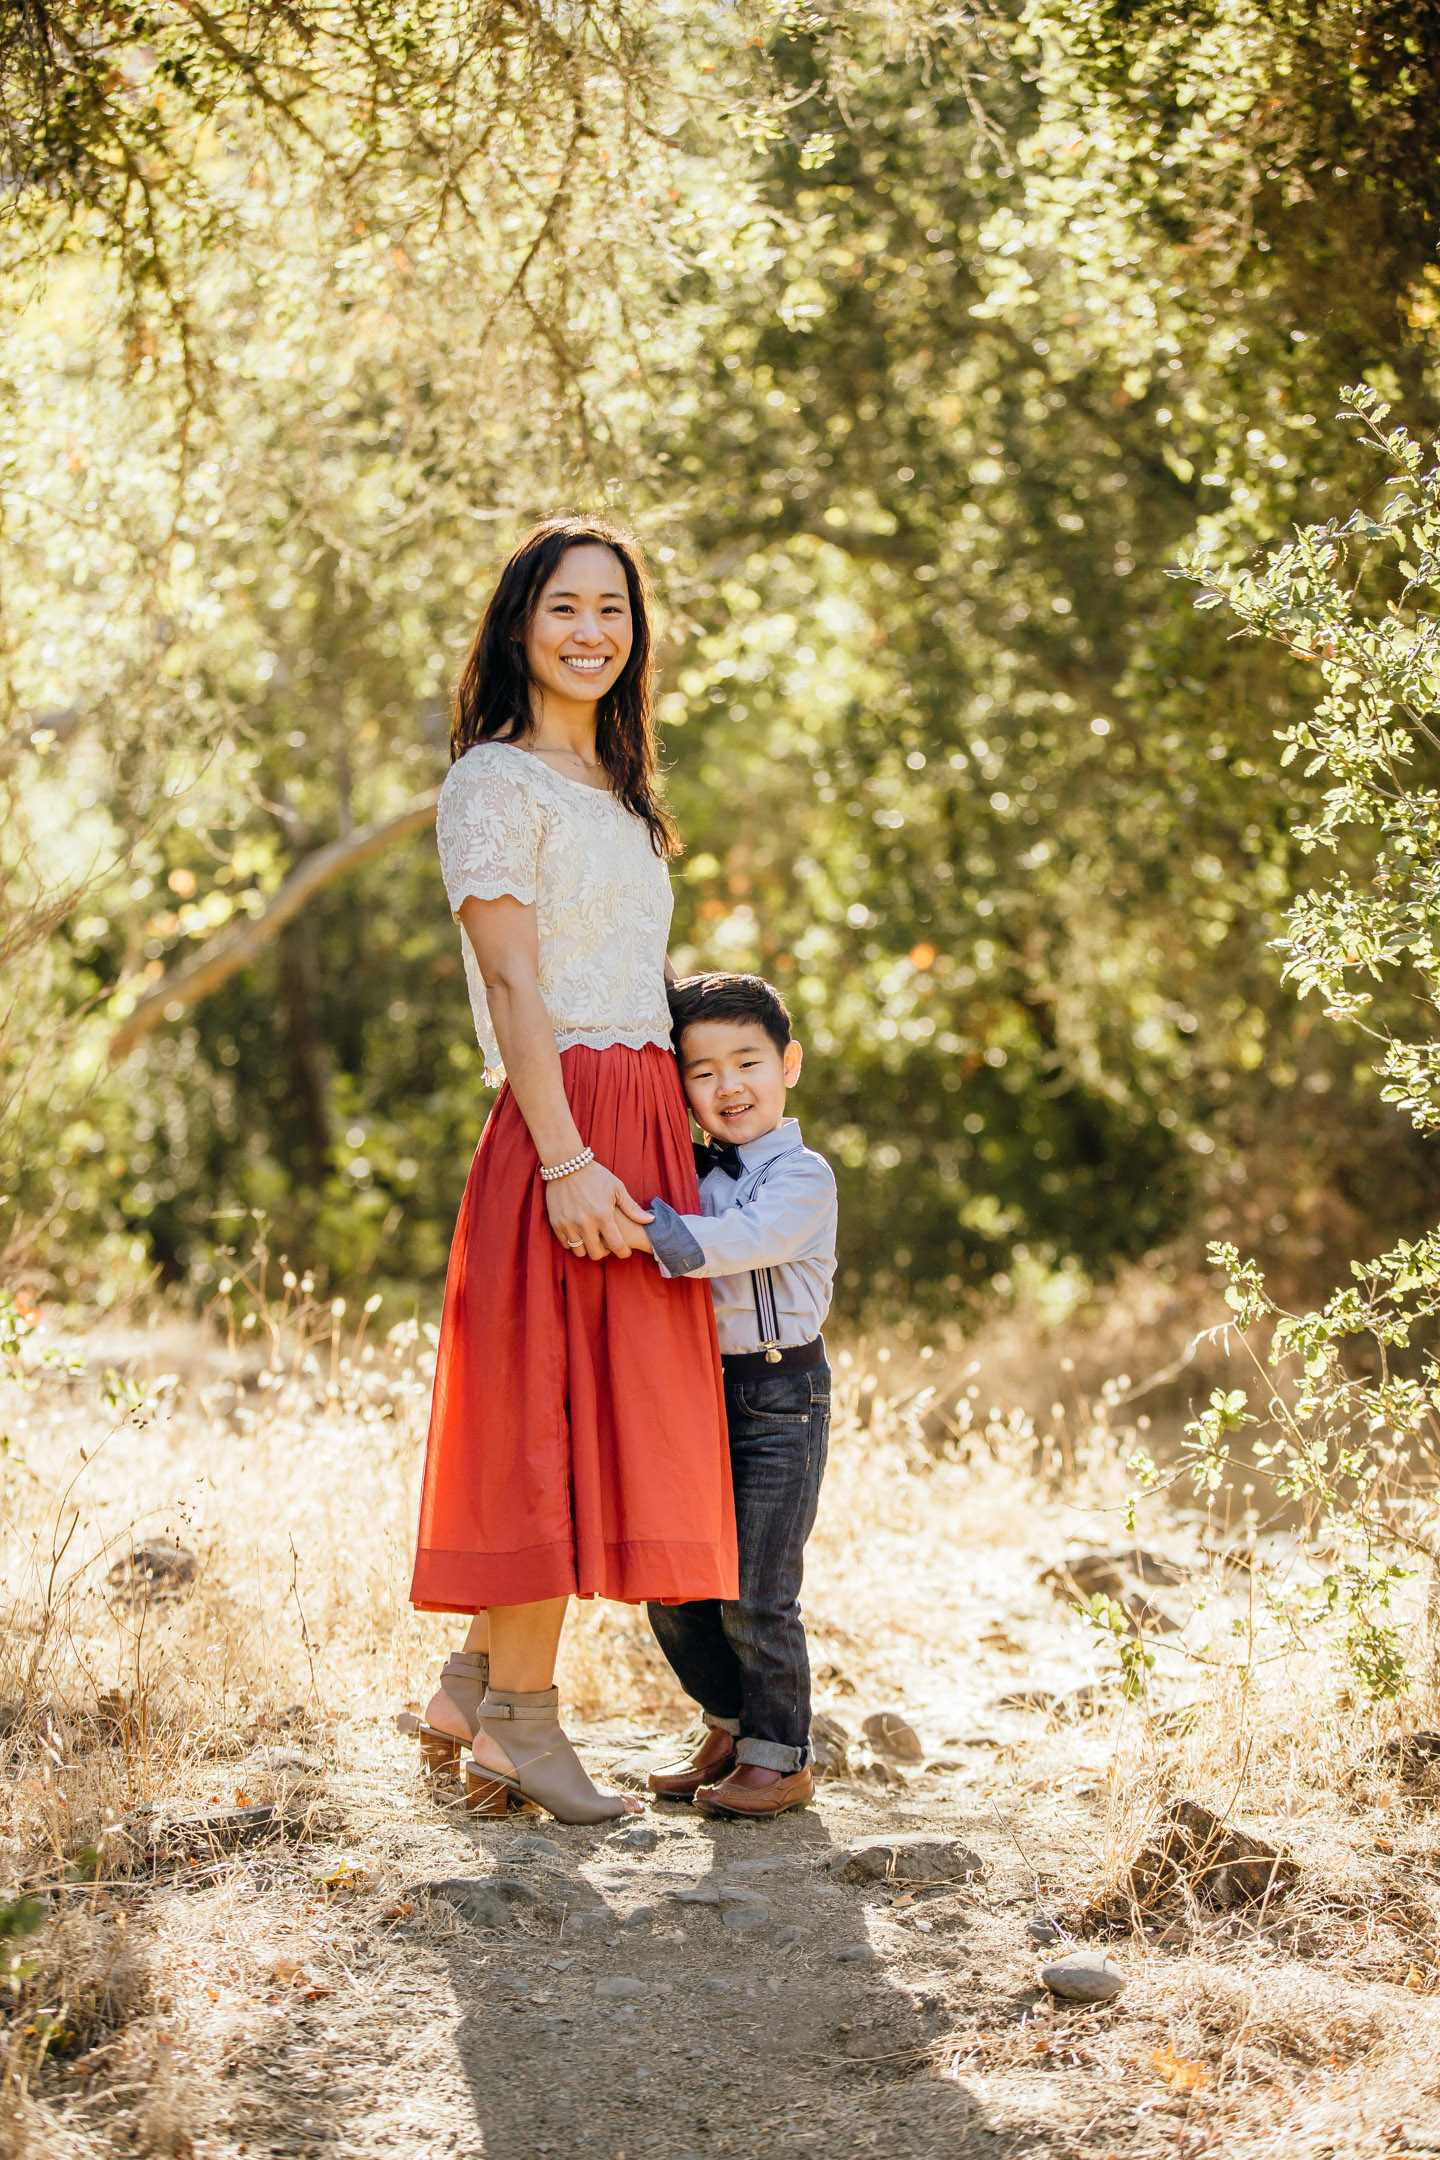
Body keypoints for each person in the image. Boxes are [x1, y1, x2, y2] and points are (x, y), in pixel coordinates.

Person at [405, 517, 737, 1825]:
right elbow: (512, 979)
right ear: (517, 628)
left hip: (643, 1111)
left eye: (615, 609)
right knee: (545, 1420)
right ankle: (521, 1731)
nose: (593, 631)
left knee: (608, 1414)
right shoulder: (497, 785)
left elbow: (632, 978)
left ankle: (473, 1681)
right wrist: (565, 1160)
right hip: (566, 1128)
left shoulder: (618, 785)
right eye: (565, 609)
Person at [616, 972, 838, 1820]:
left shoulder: (802, 1176)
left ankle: (780, 1759)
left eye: (746, 1062)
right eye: (701, 1072)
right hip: (694, 1395)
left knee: (756, 1588)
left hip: (781, 1394)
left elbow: (746, 1240)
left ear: (790, 1065)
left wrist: (643, 1227)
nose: (727, 1086)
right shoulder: (689, 1175)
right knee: (672, 1581)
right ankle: (729, 1723)